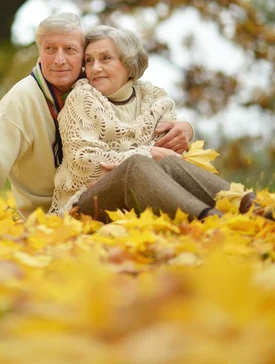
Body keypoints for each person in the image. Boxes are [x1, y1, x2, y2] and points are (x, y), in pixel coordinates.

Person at [0, 14, 194, 222]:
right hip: (52, 213)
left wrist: (186, 127)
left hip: (114, 196)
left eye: (70, 50)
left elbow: (138, 116)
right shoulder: (22, 99)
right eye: (50, 49)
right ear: (39, 54)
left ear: (81, 56)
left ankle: (225, 204)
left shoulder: (94, 84)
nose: (59, 60)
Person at [49, 25, 248, 222]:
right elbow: (86, 164)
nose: (95, 68)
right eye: (89, 61)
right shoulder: (81, 98)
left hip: (144, 198)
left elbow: (171, 157)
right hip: (82, 205)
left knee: (169, 162)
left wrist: (183, 131)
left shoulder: (153, 98)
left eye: (105, 58)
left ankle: (252, 206)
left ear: (128, 63)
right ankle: (210, 218)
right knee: (136, 165)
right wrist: (148, 153)